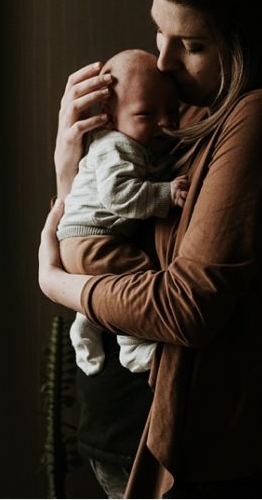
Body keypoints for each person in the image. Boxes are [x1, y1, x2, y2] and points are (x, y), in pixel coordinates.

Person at [38, 0, 262, 499]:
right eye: (159, 33)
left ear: (250, 43)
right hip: (120, 439)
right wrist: (70, 165)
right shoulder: (187, 116)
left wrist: (58, 284)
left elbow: (186, 308)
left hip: (195, 462)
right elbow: (101, 225)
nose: (164, 62)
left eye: (192, 44)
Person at [58, 49, 189, 378]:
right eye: (146, 114)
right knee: (138, 280)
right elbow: (119, 196)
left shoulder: (137, 145)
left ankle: (87, 322)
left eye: (172, 112)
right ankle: (132, 345)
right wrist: (166, 192)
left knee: (111, 281)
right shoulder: (117, 146)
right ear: (110, 115)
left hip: (82, 243)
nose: (164, 123)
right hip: (93, 240)